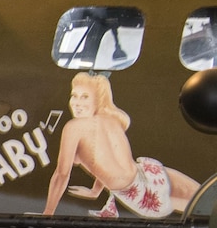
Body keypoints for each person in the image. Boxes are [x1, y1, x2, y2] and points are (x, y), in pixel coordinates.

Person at [42, 71, 197, 217]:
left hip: (144, 179)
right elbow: (69, 172)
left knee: (206, 201)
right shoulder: (104, 121)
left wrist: (48, 213)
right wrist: (94, 192)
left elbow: (78, 170)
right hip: (140, 186)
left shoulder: (79, 126)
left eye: (84, 97)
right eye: (74, 96)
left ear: (98, 101)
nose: (76, 103)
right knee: (206, 201)